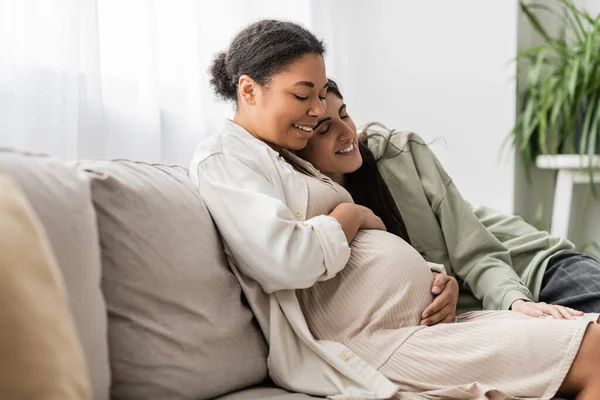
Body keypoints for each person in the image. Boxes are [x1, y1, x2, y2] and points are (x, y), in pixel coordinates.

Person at [190, 19, 600, 399]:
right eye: (304, 96)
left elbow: (378, 266)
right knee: (595, 351)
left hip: (460, 301)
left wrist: (437, 279)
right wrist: (354, 216)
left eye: (324, 98)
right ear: (248, 90)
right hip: (379, 341)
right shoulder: (227, 159)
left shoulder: (289, 158)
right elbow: (290, 261)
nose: (317, 111)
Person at [298, 79, 600, 324]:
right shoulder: (316, 211)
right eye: (325, 129)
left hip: (531, 268)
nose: (347, 132)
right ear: (300, 144)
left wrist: (516, 301)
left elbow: (476, 253)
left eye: (345, 114)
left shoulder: (397, 153)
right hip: (477, 311)